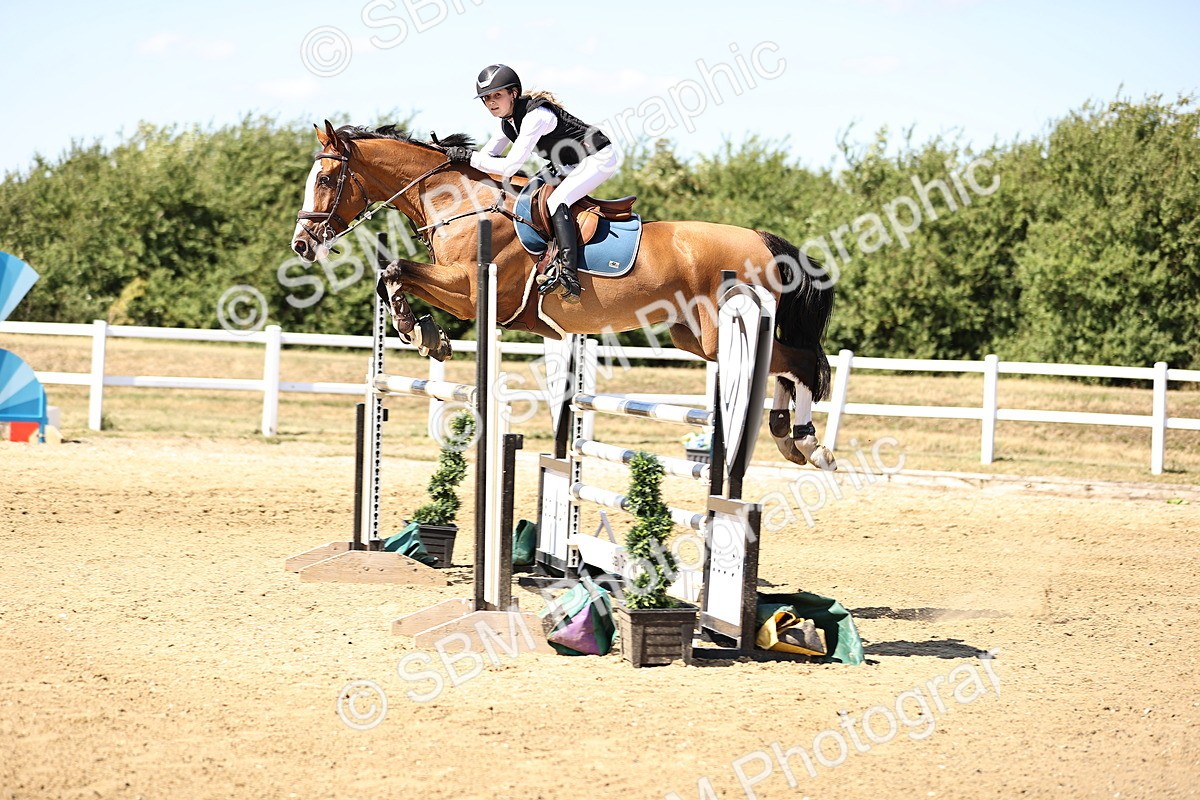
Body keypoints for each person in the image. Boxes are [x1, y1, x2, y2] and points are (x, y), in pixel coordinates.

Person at [445, 64, 618, 303]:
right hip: (566, 163)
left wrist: (469, 157)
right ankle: (546, 253)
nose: (492, 102)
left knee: (557, 200)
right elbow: (486, 157)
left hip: (598, 157)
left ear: (513, 93)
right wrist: (451, 157)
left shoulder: (536, 116)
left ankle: (569, 275)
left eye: (497, 95)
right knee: (527, 195)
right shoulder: (508, 123)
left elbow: (509, 167)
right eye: (486, 98)